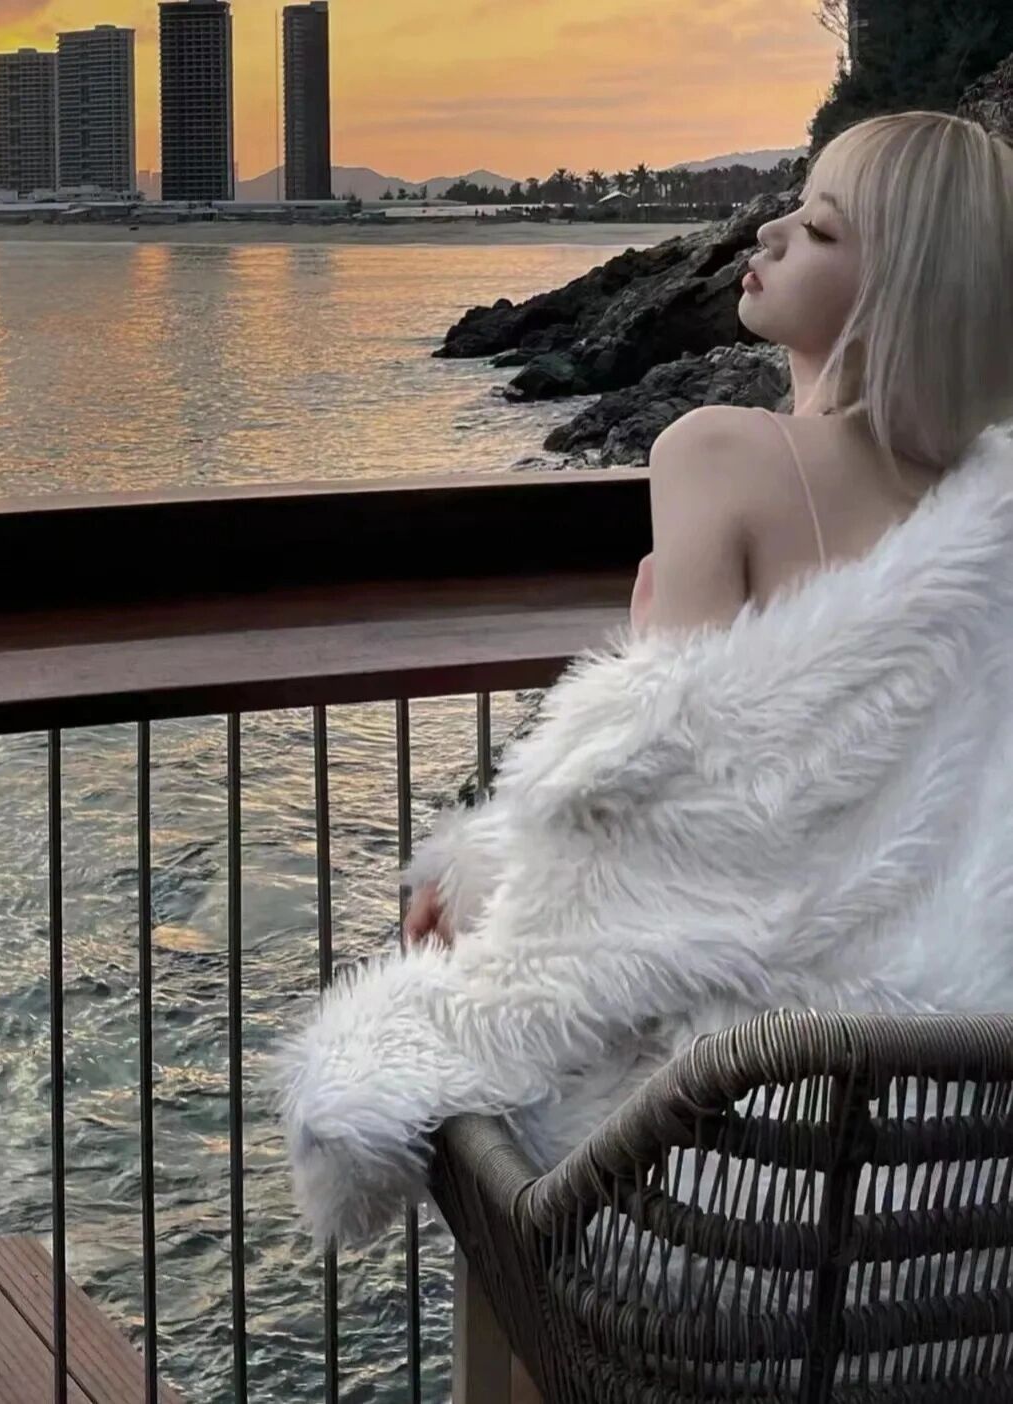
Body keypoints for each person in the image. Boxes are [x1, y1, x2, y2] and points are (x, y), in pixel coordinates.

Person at [405, 109, 1013, 949]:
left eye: (820, 229)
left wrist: (483, 877)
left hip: (767, 995)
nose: (769, 231)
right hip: (945, 984)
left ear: (901, 294)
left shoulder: (716, 451)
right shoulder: (987, 493)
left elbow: (661, 786)